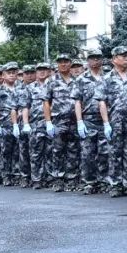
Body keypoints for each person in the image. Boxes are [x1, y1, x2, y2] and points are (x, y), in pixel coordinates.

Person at [98, 46, 127, 197]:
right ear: (114, 59)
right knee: (114, 152)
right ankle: (115, 184)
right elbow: (102, 101)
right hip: (115, 119)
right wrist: (106, 123)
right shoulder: (106, 78)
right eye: (123, 55)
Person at [44, 55, 80, 193]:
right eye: (60, 62)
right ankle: (58, 179)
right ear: (57, 64)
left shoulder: (77, 80)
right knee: (57, 151)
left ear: (70, 63)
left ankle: (72, 179)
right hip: (59, 120)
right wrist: (48, 122)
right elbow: (46, 102)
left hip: (74, 120)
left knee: (73, 150)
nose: (63, 64)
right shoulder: (51, 81)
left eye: (66, 62)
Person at [74, 50, 107, 194]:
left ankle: (104, 181)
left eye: (98, 58)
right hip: (89, 119)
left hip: (106, 120)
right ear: (87, 61)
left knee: (105, 152)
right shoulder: (81, 79)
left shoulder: (107, 77)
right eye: (92, 58)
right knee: (88, 153)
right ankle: (89, 182)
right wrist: (79, 121)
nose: (95, 61)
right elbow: (77, 101)